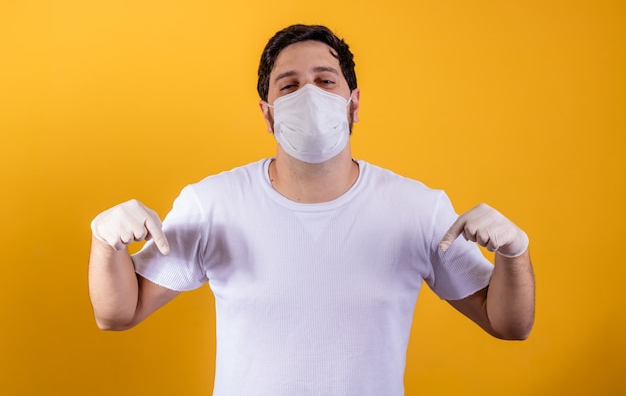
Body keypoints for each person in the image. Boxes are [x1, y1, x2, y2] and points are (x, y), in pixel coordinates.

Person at [88, 24, 535, 396]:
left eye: (325, 80)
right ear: (268, 114)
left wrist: (514, 255)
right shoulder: (213, 204)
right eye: (290, 84)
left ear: (353, 103)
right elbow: (118, 313)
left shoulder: (417, 208)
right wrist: (105, 243)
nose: (309, 94)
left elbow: (508, 323)